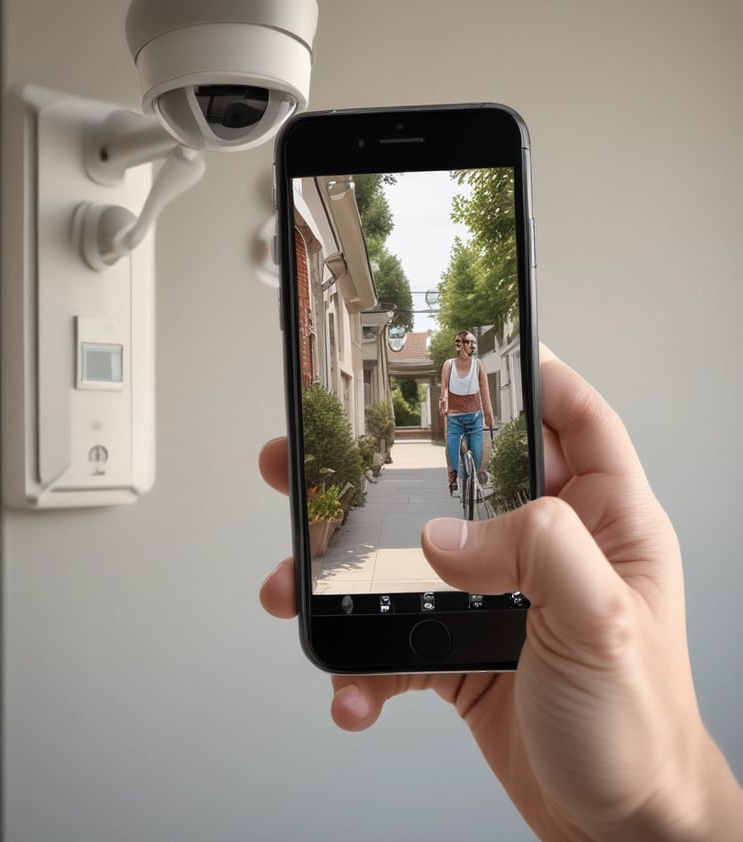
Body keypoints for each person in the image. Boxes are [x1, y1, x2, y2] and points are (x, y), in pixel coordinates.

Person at [258, 346, 743, 841]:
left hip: (474, 423)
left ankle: (475, 470)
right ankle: (454, 473)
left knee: (476, 453)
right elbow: (447, 399)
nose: (467, 350)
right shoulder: (448, 368)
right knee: (454, 451)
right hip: (454, 423)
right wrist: (652, 811)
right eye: (464, 346)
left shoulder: (479, 375)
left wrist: (653, 801)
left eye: (471, 345)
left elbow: (486, 398)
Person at [439, 331, 495, 494]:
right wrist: (444, 408)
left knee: (477, 452)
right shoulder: (448, 365)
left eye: (474, 342)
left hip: (474, 417)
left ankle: (474, 479)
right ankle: (453, 479)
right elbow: (444, 392)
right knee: (451, 446)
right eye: (469, 342)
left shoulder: (478, 365)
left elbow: (485, 394)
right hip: (454, 418)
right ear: (459, 344)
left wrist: (489, 418)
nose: (473, 346)